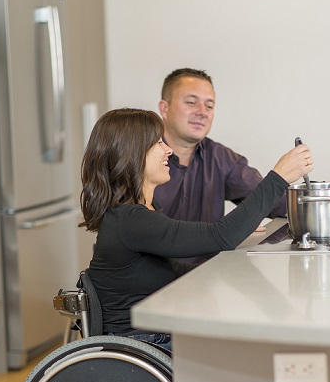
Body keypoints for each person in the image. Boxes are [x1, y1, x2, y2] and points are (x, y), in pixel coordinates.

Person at [79, 108, 312, 353]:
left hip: (154, 337)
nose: (168, 149)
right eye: (158, 143)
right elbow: (220, 235)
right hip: (143, 346)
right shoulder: (130, 221)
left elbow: (181, 267)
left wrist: (237, 244)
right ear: (132, 154)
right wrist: (280, 177)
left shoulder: (140, 213)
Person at [155, 68, 287, 263]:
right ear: (164, 108)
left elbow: (278, 203)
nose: (202, 112)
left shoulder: (222, 159)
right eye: (191, 103)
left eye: (209, 106)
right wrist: (231, 228)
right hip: (148, 286)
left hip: (205, 278)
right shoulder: (138, 157)